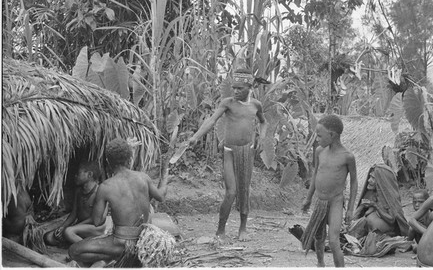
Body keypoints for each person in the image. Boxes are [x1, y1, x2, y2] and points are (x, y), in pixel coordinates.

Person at [186, 68, 267, 242]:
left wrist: (262, 137)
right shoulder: (227, 103)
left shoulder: (256, 105)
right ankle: (220, 231)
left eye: (240, 88)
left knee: (244, 190)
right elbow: (212, 120)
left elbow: (263, 122)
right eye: (234, 88)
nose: (236, 91)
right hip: (230, 151)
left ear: (249, 87)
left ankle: (242, 229)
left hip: (247, 151)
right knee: (231, 192)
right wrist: (196, 136)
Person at [68, 138, 165, 267]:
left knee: (74, 250)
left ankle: (111, 259)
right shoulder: (143, 177)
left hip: (121, 244)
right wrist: (165, 176)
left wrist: (108, 202)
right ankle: (129, 258)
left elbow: (97, 222)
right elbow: (161, 196)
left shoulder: (106, 186)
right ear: (129, 158)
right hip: (144, 242)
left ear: (108, 161)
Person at [301, 114, 358, 267]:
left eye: (319, 135)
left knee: (333, 241)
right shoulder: (319, 151)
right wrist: (308, 198)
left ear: (332, 135)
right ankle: (321, 264)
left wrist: (351, 209)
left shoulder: (347, 157)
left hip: (335, 201)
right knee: (319, 238)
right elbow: (315, 175)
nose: (317, 139)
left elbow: (354, 183)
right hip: (320, 201)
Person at [44, 161, 106, 246]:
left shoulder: (99, 192)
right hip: (80, 227)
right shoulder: (78, 191)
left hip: (95, 228)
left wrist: (72, 228)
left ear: (89, 175)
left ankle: (90, 248)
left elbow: (94, 220)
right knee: (48, 237)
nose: (75, 175)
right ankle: (77, 241)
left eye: (78, 173)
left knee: (68, 232)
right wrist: (62, 226)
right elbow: (74, 213)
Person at [348, 163, 409, 240]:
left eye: (373, 178)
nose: (369, 180)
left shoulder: (389, 199)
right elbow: (357, 215)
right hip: (369, 231)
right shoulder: (370, 194)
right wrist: (361, 207)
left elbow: (391, 220)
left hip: (383, 234)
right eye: (370, 176)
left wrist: (375, 206)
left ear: (381, 182)